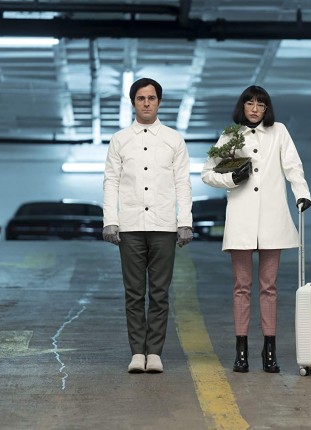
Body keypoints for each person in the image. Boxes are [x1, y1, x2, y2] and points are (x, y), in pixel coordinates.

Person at [201, 85, 311, 373]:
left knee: (269, 287)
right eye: (250, 103)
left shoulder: (279, 131)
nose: (255, 109)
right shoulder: (231, 135)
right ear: (243, 106)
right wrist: (231, 179)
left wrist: (302, 194)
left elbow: (293, 166)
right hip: (241, 219)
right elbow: (207, 173)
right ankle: (241, 352)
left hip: (273, 219)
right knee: (241, 287)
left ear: (266, 109)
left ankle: (269, 351)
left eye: (260, 104)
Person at [102, 77, 193, 374]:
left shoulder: (173, 139)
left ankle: (154, 352)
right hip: (129, 225)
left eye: (151, 98)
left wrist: (185, 222)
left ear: (159, 102)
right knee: (133, 293)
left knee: (159, 292)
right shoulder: (120, 140)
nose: (146, 103)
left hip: (164, 225)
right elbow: (111, 181)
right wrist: (110, 221)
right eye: (141, 98)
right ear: (133, 102)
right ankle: (136, 353)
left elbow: (182, 183)